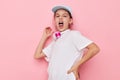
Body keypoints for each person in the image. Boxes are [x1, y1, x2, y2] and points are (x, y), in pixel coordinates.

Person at [34, 5, 100, 80]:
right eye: (57, 16)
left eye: (64, 16)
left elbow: (94, 48)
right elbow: (37, 55)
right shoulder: (56, 41)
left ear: (70, 20)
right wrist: (44, 37)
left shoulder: (73, 35)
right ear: (54, 20)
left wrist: (76, 66)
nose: (60, 18)